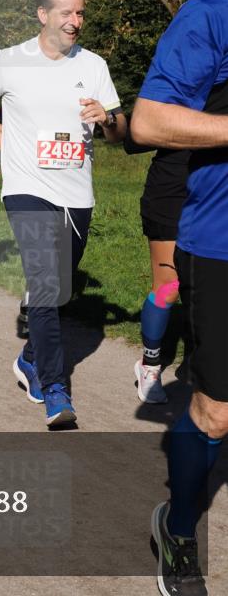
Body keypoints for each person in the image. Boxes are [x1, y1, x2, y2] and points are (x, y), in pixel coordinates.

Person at [0, 0, 127, 427]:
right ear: (42, 15)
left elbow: (120, 130)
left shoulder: (93, 65)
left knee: (56, 289)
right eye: (66, 14)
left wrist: (108, 119)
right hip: (26, 188)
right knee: (46, 282)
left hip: (78, 193)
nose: (76, 22)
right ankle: (56, 388)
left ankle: (30, 358)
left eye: (80, 13)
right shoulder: (9, 62)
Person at [130, 0, 228, 596]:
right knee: (218, 411)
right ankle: (181, 525)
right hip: (218, 241)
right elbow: (146, 121)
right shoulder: (213, 13)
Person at [124, 129, 190, 404]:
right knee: (169, 286)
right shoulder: (176, 89)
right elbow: (133, 139)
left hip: (218, 194)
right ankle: (150, 364)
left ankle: (201, 365)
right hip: (172, 190)